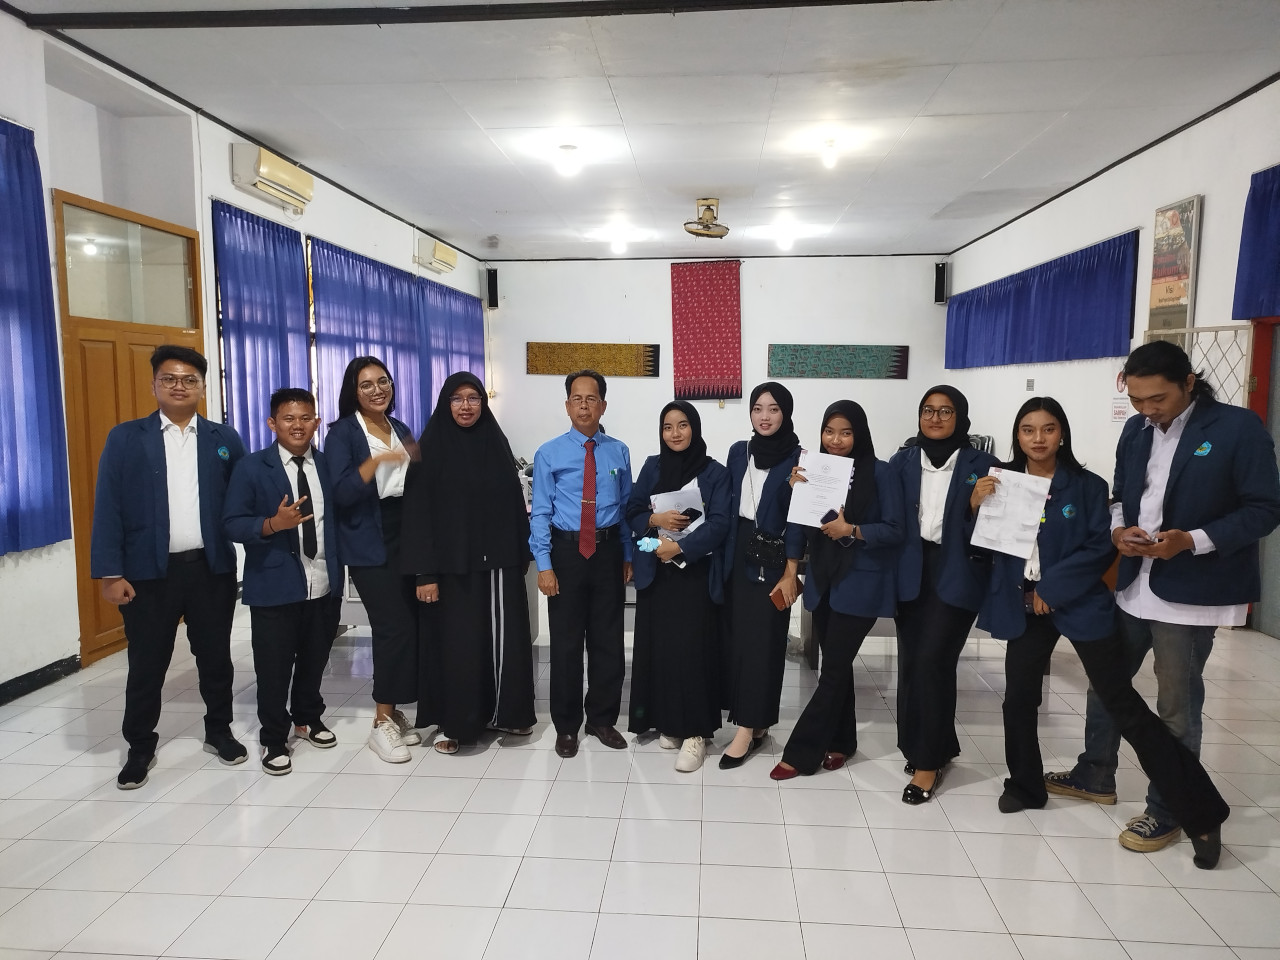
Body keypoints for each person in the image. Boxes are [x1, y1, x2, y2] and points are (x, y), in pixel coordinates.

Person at [1046, 341, 1280, 855]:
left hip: (1191, 590)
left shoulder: (1237, 428)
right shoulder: (1136, 430)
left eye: (1158, 399)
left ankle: (1168, 807)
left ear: (1188, 383)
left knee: (1175, 703)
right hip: (1135, 582)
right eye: (1137, 400)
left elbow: (1264, 509)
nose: (1148, 410)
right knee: (1107, 685)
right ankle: (1094, 773)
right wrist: (1118, 530)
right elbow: (1120, 495)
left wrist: (1191, 540)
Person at [976, 397, 1229, 868]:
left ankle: (1201, 812)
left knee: (1122, 705)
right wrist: (975, 506)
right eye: (1028, 429)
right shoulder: (1000, 481)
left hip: (1078, 604)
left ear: (1062, 434)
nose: (1038, 438)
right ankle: (1026, 786)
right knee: (1018, 699)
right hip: (1024, 606)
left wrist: (1052, 588)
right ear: (1017, 436)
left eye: (1048, 428)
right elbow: (982, 544)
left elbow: (1099, 547)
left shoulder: (1088, 486)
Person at [91, 345, 248, 790]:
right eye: (169, 378)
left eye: (189, 379)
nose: (179, 386)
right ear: (154, 384)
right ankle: (140, 746)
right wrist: (110, 572)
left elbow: (241, 499)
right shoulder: (126, 438)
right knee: (147, 663)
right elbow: (108, 507)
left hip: (210, 570)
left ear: (202, 387)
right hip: (147, 575)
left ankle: (219, 731)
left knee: (215, 658)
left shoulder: (223, 439)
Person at [401, 372, 537, 753]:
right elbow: (418, 514)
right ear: (446, 403)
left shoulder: (496, 442)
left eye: (473, 398)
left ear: (483, 402)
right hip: (451, 569)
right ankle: (458, 724)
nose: (466, 406)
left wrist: (520, 553)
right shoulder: (430, 449)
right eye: (457, 398)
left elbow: (514, 504)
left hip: (499, 567)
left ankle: (506, 714)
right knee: (459, 646)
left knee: (504, 643)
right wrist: (424, 573)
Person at [772, 401, 904, 779]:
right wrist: (793, 490)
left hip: (861, 585)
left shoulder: (881, 473)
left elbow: (896, 529)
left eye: (846, 432)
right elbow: (797, 526)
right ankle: (842, 741)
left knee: (831, 672)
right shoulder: (814, 470)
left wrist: (853, 530)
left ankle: (801, 752)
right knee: (838, 667)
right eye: (829, 432)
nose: (836, 440)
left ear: (859, 434)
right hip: (824, 582)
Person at [223, 388, 343, 775]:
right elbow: (232, 523)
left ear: (317, 422)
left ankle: (307, 718)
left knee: (315, 660)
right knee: (273, 669)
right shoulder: (252, 467)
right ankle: (274, 737)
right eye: (289, 418)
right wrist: (273, 524)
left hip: (323, 583)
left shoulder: (328, 466)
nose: (298, 425)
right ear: (272, 423)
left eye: (306, 418)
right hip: (274, 586)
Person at [890, 385, 997, 803]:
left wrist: (974, 506)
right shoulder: (901, 461)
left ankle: (928, 763)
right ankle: (925, 745)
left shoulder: (982, 466)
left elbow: (996, 529)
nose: (935, 418)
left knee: (933, 661)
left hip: (956, 572)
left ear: (961, 417)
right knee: (912, 661)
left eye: (945, 411)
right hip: (910, 572)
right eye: (928, 410)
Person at [530, 369, 634, 759]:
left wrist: (628, 554)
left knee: (608, 641)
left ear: (603, 405)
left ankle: (602, 720)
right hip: (566, 553)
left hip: (607, 552)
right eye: (577, 398)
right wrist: (544, 565)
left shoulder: (618, 451)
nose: (584, 405)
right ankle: (567, 726)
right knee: (566, 644)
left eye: (592, 399)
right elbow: (540, 513)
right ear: (567, 405)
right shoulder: (549, 453)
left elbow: (626, 509)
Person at [625, 400, 731, 773]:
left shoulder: (715, 472)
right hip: (657, 571)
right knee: (662, 651)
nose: (675, 433)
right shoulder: (652, 467)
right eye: (668, 426)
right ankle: (669, 722)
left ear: (695, 428)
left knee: (693, 652)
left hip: (695, 574)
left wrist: (681, 547)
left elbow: (720, 523)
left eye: (683, 425)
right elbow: (632, 512)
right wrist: (655, 521)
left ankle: (696, 732)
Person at [324, 357, 421, 763]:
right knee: (391, 627)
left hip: (407, 533)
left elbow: (418, 478)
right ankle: (381, 722)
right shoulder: (342, 433)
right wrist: (376, 461)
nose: (377, 390)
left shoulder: (400, 428)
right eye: (367, 385)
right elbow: (341, 492)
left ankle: (394, 710)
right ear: (354, 390)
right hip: (369, 537)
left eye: (383, 381)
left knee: (410, 624)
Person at [720, 382, 803, 769]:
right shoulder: (739, 452)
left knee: (764, 643)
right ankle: (755, 723)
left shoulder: (800, 458)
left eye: (773, 409)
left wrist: (791, 571)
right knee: (739, 640)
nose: (764, 416)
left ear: (785, 412)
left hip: (774, 557)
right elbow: (726, 503)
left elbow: (799, 521)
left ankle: (746, 728)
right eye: (757, 408)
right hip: (737, 551)